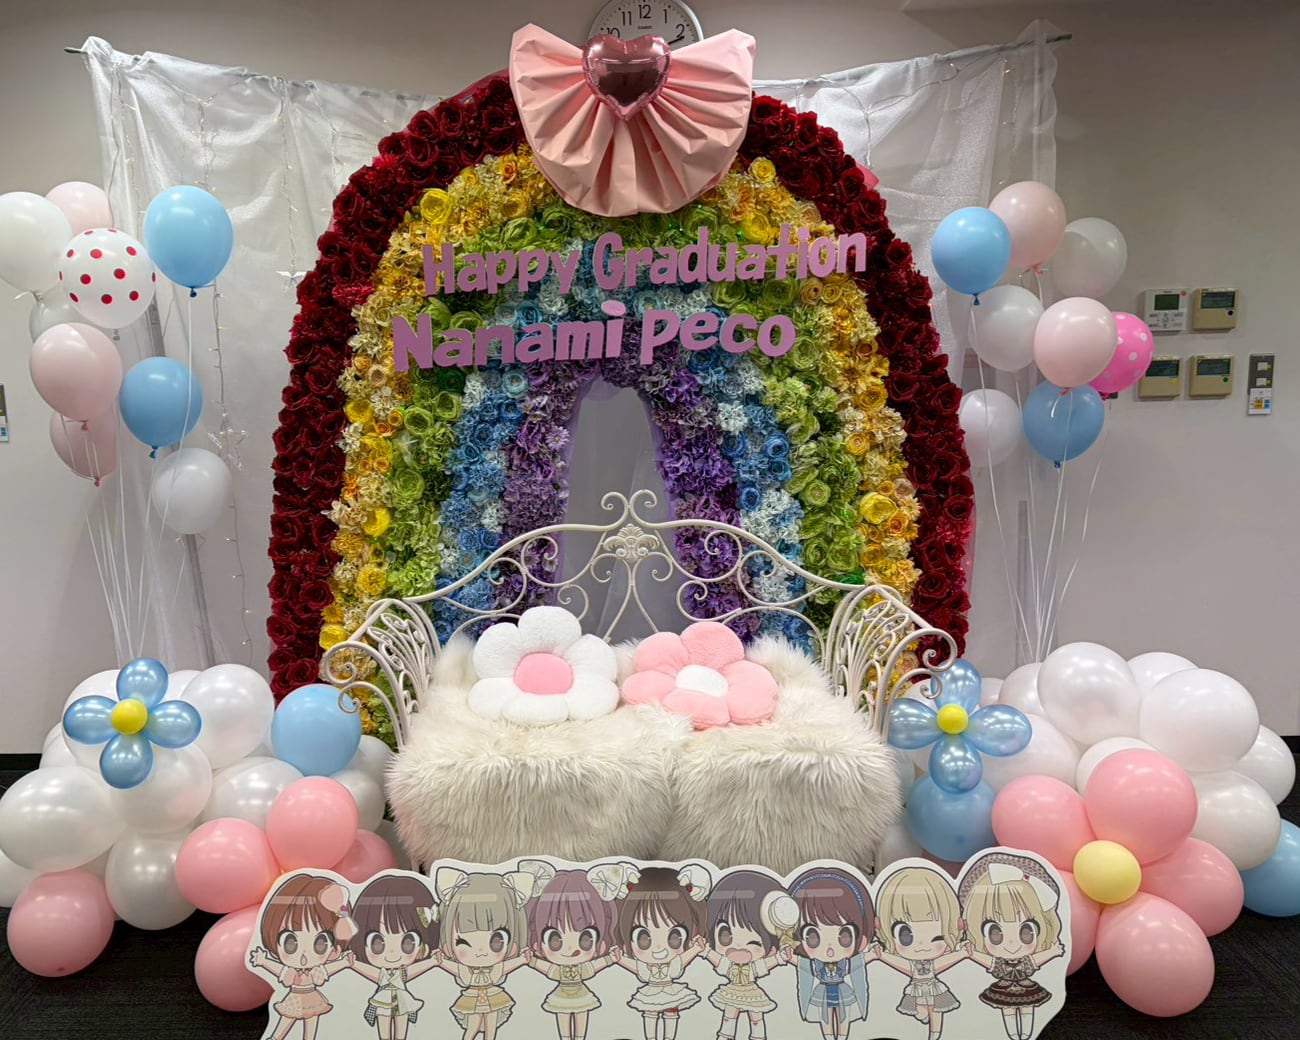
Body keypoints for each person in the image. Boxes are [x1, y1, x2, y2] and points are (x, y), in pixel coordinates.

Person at [248, 873, 358, 1040]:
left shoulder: (316, 971)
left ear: (334, 950)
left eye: (320, 943)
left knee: (311, 1022)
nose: (304, 955)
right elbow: (280, 970)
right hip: (294, 997)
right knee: (286, 1020)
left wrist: (343, 963)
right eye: (290, 942)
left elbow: (328, 969)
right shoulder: (293, 972)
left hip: (312, 997)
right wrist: (263, 961)